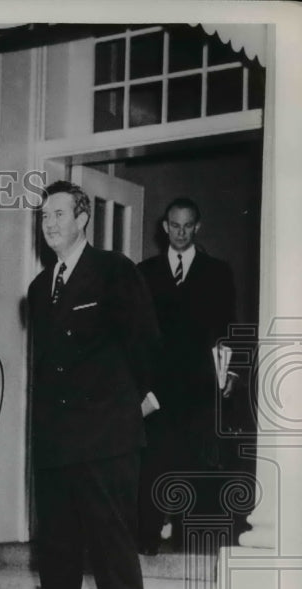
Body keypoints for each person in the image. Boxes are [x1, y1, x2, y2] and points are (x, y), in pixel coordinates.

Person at [15, 180, 157, 589]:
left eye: (58, 213)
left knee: (112, 545)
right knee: (55, 546)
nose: (48, 223)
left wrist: (134, 404)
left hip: (106, 436)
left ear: (81, 219)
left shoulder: (115, 272)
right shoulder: (38, 288)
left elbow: (144, 342)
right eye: (43, 215)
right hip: (56, 441)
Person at [136, 198, 237, 555]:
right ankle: (146, 539)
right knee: (153, 460)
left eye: (187, 226)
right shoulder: (144, 272)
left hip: (198, 384)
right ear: (165, 226)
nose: (180, 233)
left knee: (196, 460)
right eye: (174, 225)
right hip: (157, 388)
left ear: (197, 227)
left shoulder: (217, 272)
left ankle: (191, 543)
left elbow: (227, 327)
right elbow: (135, 333)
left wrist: (230, 371)